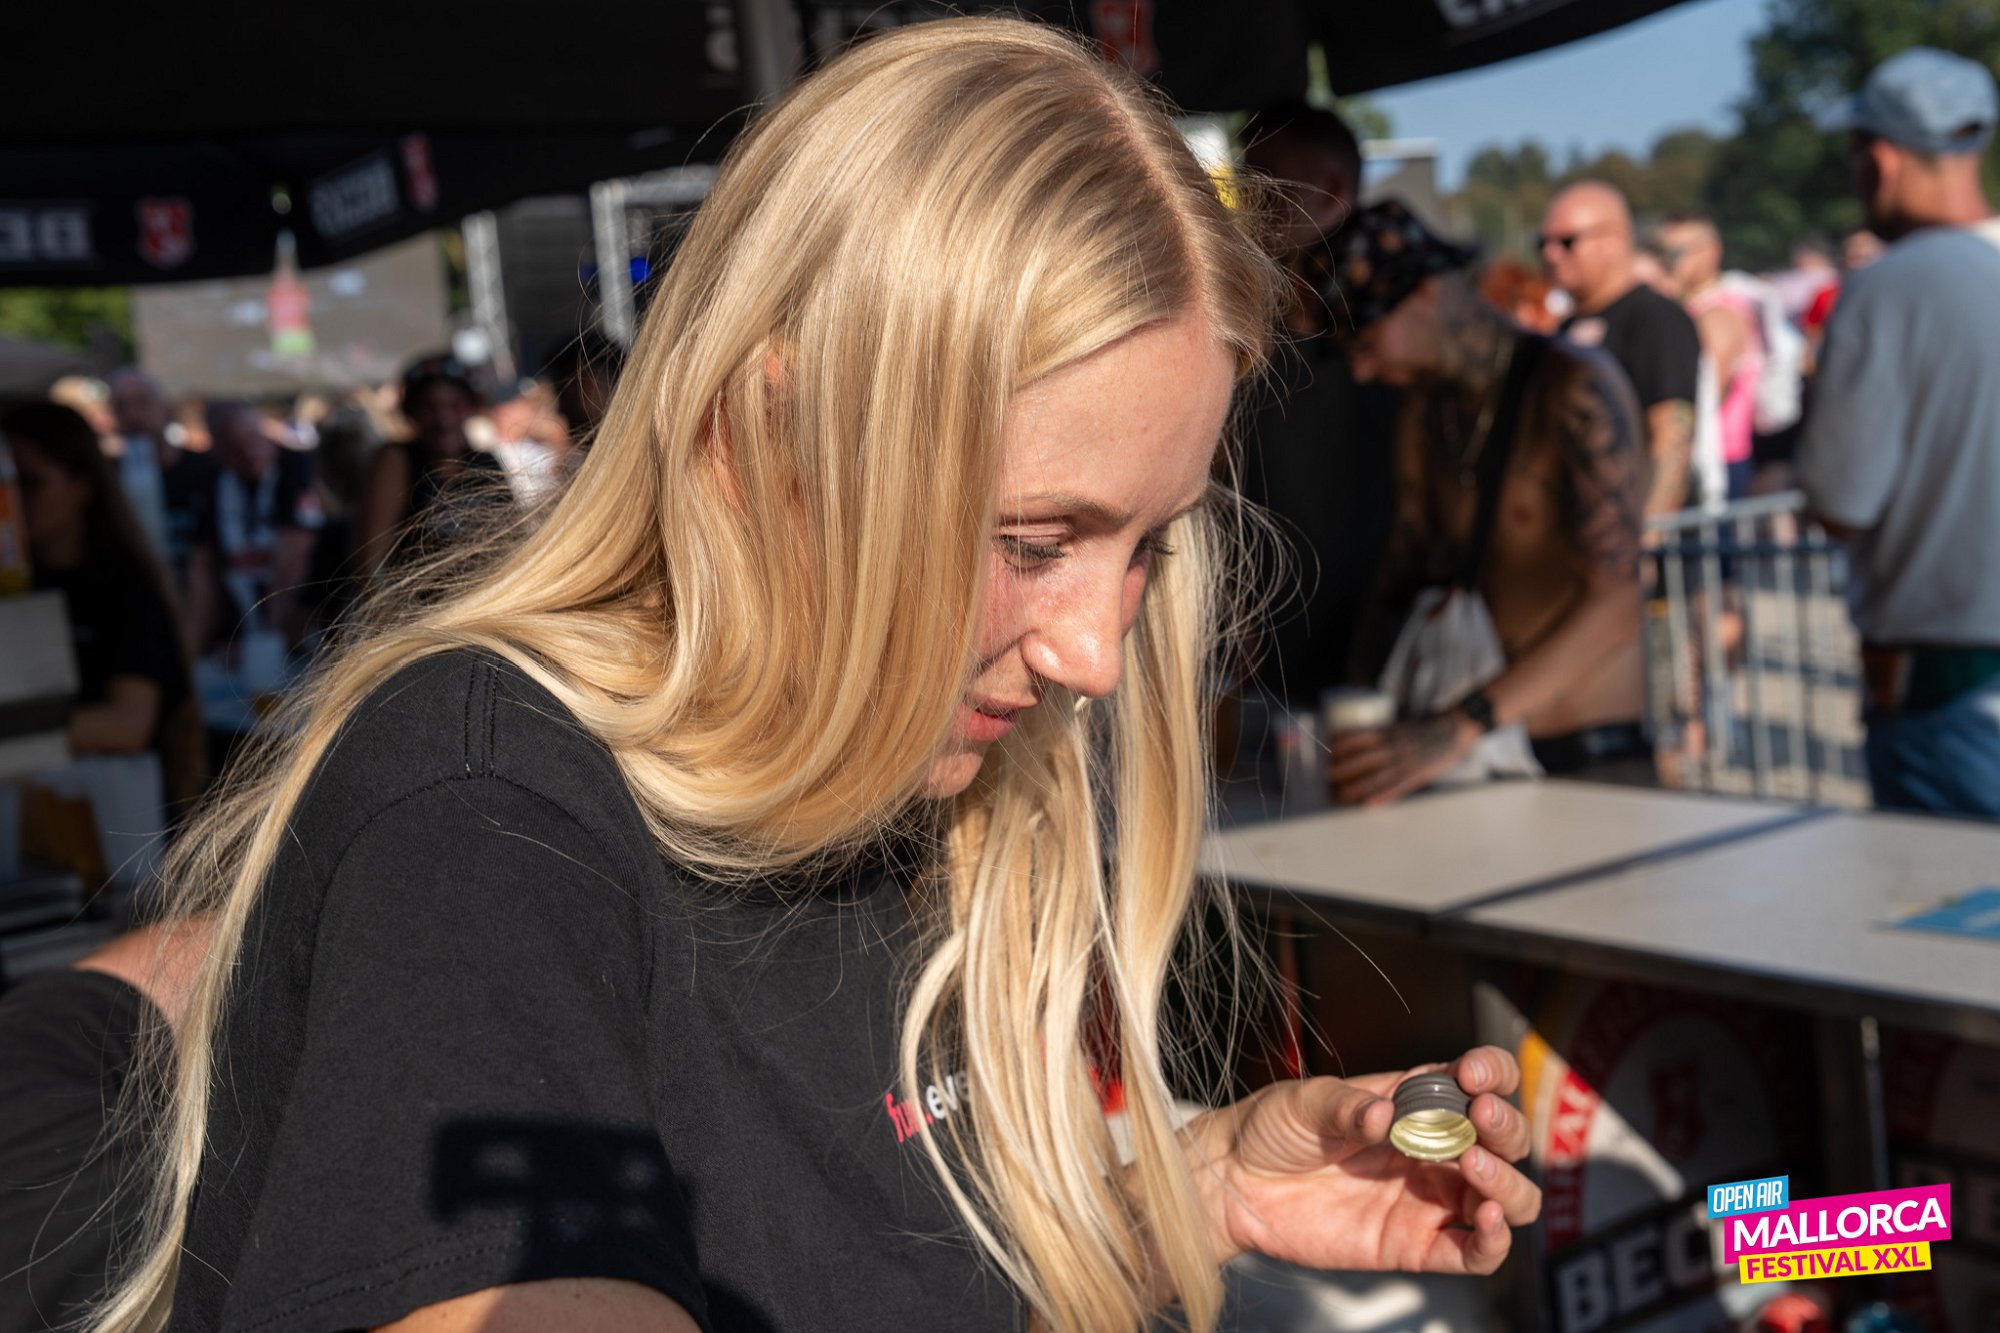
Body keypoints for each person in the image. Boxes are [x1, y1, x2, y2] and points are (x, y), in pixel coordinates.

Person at [88, 23, 1538, 1333]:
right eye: (1033, 541)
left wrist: (1200, 1184)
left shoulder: (926, 782)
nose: (1095, 656)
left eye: (1147, 545)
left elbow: (895, 1278)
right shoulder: (490, 810)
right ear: (763, 439)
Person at [1331, 202, 1649, 800]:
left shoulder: (1575, 386)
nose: (1363, 369)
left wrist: (1459, 726)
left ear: (1424, 292)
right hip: (1476, 756)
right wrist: (1357, 701)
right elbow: (1402, 568)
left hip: (1584, 759)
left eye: (1365, 340)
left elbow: (1618, 600)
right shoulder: (1425, 410)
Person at [1798, 46, 2000, 819]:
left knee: (1949, 896)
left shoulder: (1888, 289)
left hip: (1948, 688)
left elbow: (1841, 500)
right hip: (1961, 682)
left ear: (1879, 159)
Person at [1234, 102, 1400, 707]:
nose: (1246, 199)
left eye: (1263, 178)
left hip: (1375, 640)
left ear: (1330, 192)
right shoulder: (1248, 314)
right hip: (1264, 630)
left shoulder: (1394, 316)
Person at [2, 402, 198, 799]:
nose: (12, 499)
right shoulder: (16, 585)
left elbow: (127, 725)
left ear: (84, 485)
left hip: (118, 815)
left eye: (30, 483)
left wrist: (15, 733)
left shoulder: (125, 587)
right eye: (6, 484)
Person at [1541, 181, 1701, 520]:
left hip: (1633, 535)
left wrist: (1649, 533)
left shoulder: (1655, 317)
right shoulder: (1564, 330)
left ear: (1614, 240)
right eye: (1544, 243)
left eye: (1567, 242)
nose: (1551, 254)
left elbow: (1672, 434)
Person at [184, 401, 322, 657]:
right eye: (234, 449)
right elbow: (202, 569)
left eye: (252, 440)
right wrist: (194, 649)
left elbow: (295, 555)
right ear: (218, 451)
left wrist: (270, 635)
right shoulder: (213, 483)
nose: (248, 454)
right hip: (241, 632)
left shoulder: (294, 467)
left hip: (296, 627)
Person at [353, 354, 511, 575]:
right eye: (429, 408)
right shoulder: (397, 460)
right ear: (411, 412)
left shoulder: (486, 462)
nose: (443, 419)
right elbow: (372, 557)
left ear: (471, 407)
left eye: (455, 406)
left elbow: (512, 536)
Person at [1658, 215, 1762, 501]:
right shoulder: (1692, 308)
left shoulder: (1719, 312)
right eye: (1662, 254)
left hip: (1717, 462)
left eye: (1676, 253)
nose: (1668, 263)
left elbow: (1702, 393)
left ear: (1711, 251)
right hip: (1702, 459)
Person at [104, 369, 218, 601]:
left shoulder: (205, 470)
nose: (133, 415)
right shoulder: (109, 479)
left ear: (164, 407)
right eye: (122, 406)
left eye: (142, 401)